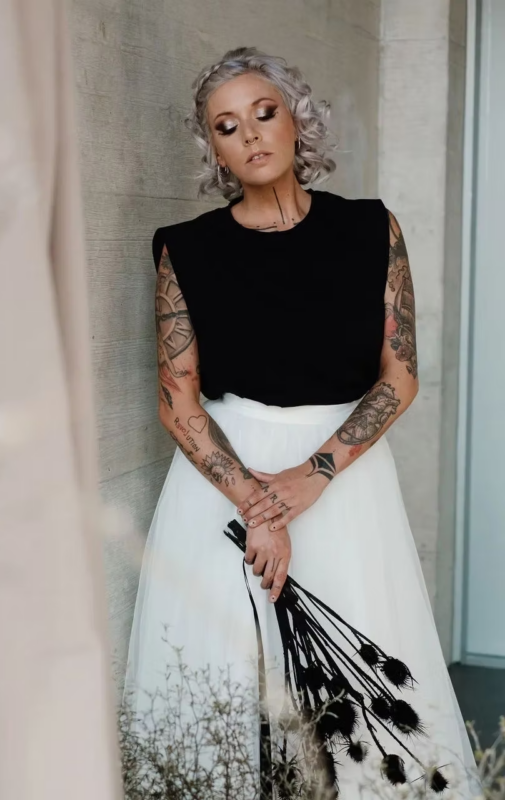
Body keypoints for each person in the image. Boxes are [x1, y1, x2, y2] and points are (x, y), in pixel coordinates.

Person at [123, 46, 480, 799]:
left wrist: (311, 479)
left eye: (264, 112)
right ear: (214, 149)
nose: (251, 134)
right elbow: (177, 400)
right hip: (222, 487)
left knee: (359, 703)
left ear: (296, 120)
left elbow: (399, 376)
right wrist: (259, 505)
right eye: (227, 126)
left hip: (343, 481)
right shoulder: (185, 248)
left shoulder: (371, 228)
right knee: (225, 687)